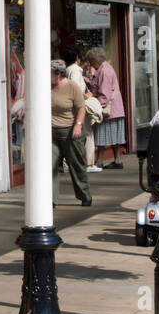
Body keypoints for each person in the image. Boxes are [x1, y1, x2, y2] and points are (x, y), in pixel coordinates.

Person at [50, 60, 92, 206]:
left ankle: (84, 195)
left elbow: (81, 108)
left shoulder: (72, 87)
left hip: (70, 131)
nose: (47, 76)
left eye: (50, 73)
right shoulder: (45, 86)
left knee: (76, 164)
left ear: (59, 74)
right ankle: (50, 199)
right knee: (50, 164)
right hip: (51, 132)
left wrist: (78, 125)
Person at [86, 47, 126, 168]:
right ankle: (117, 160)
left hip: (109, 109)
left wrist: (96, 106)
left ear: (95, 60)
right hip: (115, 108)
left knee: (102, 134)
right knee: (111, 135)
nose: (89, 63)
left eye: (90, 61)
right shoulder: (104, 68)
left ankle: (99, 161)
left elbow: (104, 93)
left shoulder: (104, 71)